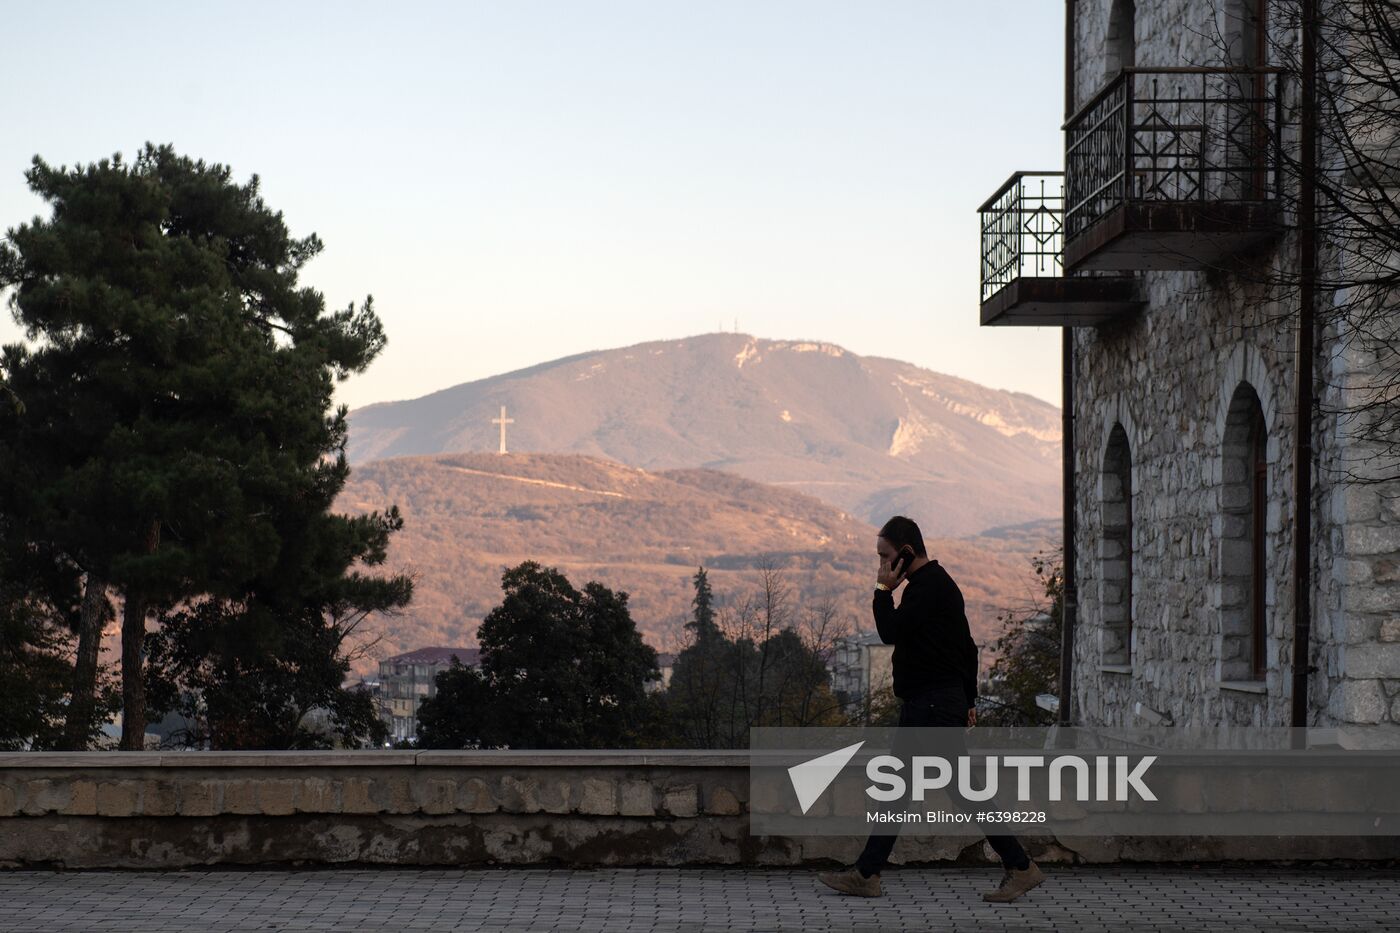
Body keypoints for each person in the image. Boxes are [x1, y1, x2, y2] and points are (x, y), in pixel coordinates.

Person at [817, 515, 1045, 903]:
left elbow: (890, 631)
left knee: (957, 788)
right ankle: (867, 873)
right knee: (901, 789)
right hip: (934, 703)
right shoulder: (937, 585)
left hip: (933, 704)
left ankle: (1020, 866)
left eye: (886, 558)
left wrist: (880, 589)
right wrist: (968, 699)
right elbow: (967, 649)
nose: (882, 566)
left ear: (906, 553)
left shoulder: (926, 589)